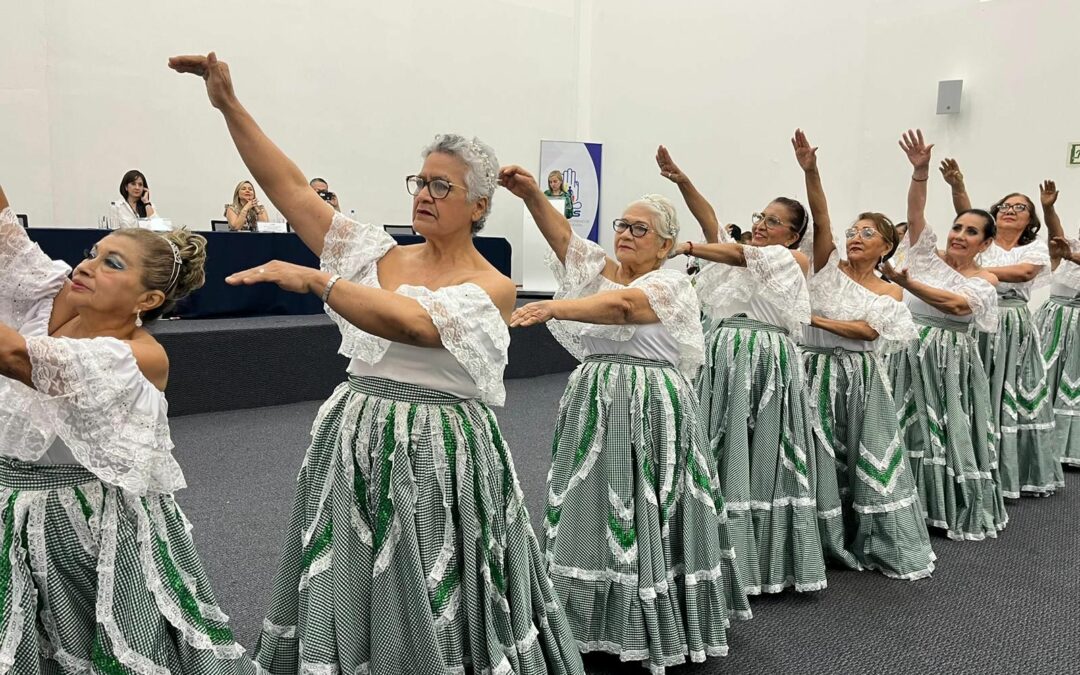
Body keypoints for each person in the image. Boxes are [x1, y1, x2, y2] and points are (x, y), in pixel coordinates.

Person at [170, 51, 584, 675]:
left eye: (442, 186)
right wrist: (229, 104)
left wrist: (319, 282)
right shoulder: (375, 251)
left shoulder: (492, 285)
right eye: (420, 182)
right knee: (353, 566)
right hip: (360, 432)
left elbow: (415, 326)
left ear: (478, 206)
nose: (425, 195)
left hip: (441, 446)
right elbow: (288, 188)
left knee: (428, 572)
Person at [500, 166, 750, 672]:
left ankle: (648, 614)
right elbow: (565, 239)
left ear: (665, 246)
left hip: (650, 402)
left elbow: (623, 310)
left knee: (647, 503)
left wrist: (557, 308)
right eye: (621, 225)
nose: (626, 235)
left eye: (640, 229)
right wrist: (530, 195)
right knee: (587, 501)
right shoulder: (599, 271)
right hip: (595, 398)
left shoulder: (673, 284)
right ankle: (582, 616)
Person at [0, 184, 253, 672]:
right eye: (93, 254)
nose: (87, 266)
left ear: (149, 298)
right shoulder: (52, 297)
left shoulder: (136, 355)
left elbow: (15, 357)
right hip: (11, 509)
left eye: (113, 264)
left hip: (84, 529)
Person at [657, 144, 827, 595]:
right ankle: (707, 544)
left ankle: (757, 558)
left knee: (760, 447)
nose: (761, 225)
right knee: (717, 439)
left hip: (766, 359)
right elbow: (711, 220)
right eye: (760, 217)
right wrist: (681, 179)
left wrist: (693, 247)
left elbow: (727, 250)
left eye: (773, 221)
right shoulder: (741, 250)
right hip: (724, 352)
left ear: (792, 236)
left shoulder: (794, 260)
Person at [790, 129, 934, 580]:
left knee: (859, 452)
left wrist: (811, 320)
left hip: (857, 377)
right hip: (811, 369)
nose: (854, 237)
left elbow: (867, 331)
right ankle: (815, 536)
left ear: (886, 247)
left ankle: (868, 537)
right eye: (853, 231)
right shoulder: (828, 263)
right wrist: (811, 170)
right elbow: (819, 211)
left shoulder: (890, 290)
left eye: (866, 234)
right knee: (814, 451)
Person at [884, 130, 1006, 540]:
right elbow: (915, 213)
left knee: (940, 424)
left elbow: (953, 307)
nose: (959, 235)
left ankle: (940, 500)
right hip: (906, 346)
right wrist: (920, 173)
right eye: (957, 226)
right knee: (899, 420)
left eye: (972, 232)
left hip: (948, 357)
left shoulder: (986, 278)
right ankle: (895, 498)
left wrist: (907, 284)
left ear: (986, 243)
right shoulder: (924, 254)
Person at [939, 158, 1060, 498]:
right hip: (978, 316)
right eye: (1005, 206)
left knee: (1010, 387)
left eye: (1019, 208)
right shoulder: (985, 244)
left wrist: (978, 272)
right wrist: (957, 186)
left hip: (1011, 320)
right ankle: (969, 457)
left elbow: (1024, 274)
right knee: (974, 384)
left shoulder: (1034, 247)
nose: (1010, 210)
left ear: (1030, 220)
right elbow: (969, 217)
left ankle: (1011, 469)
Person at [1033, 180, 1080, 467]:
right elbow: (1055, 233)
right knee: (1044, 374)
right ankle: (1041, 442)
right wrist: (1048, 208)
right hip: (1053, 319)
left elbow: (1068, 255)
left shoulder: (1071, 252)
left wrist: (1070, 256)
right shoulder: (1068, 246)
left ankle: (1069, 448)